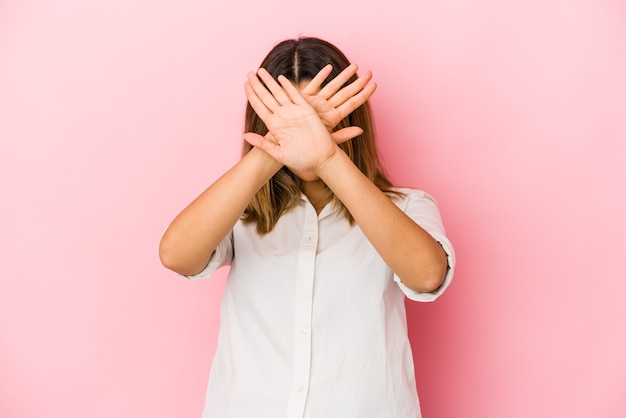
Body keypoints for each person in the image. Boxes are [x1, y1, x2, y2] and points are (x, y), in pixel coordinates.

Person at [159, 36, 455, 418]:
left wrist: (328, 158)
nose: (304, 134)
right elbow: (176, 255)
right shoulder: (241, 209)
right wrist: (271, 150)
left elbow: (427, 276)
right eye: (290, 120)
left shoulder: (407, 206)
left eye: (315, 121)